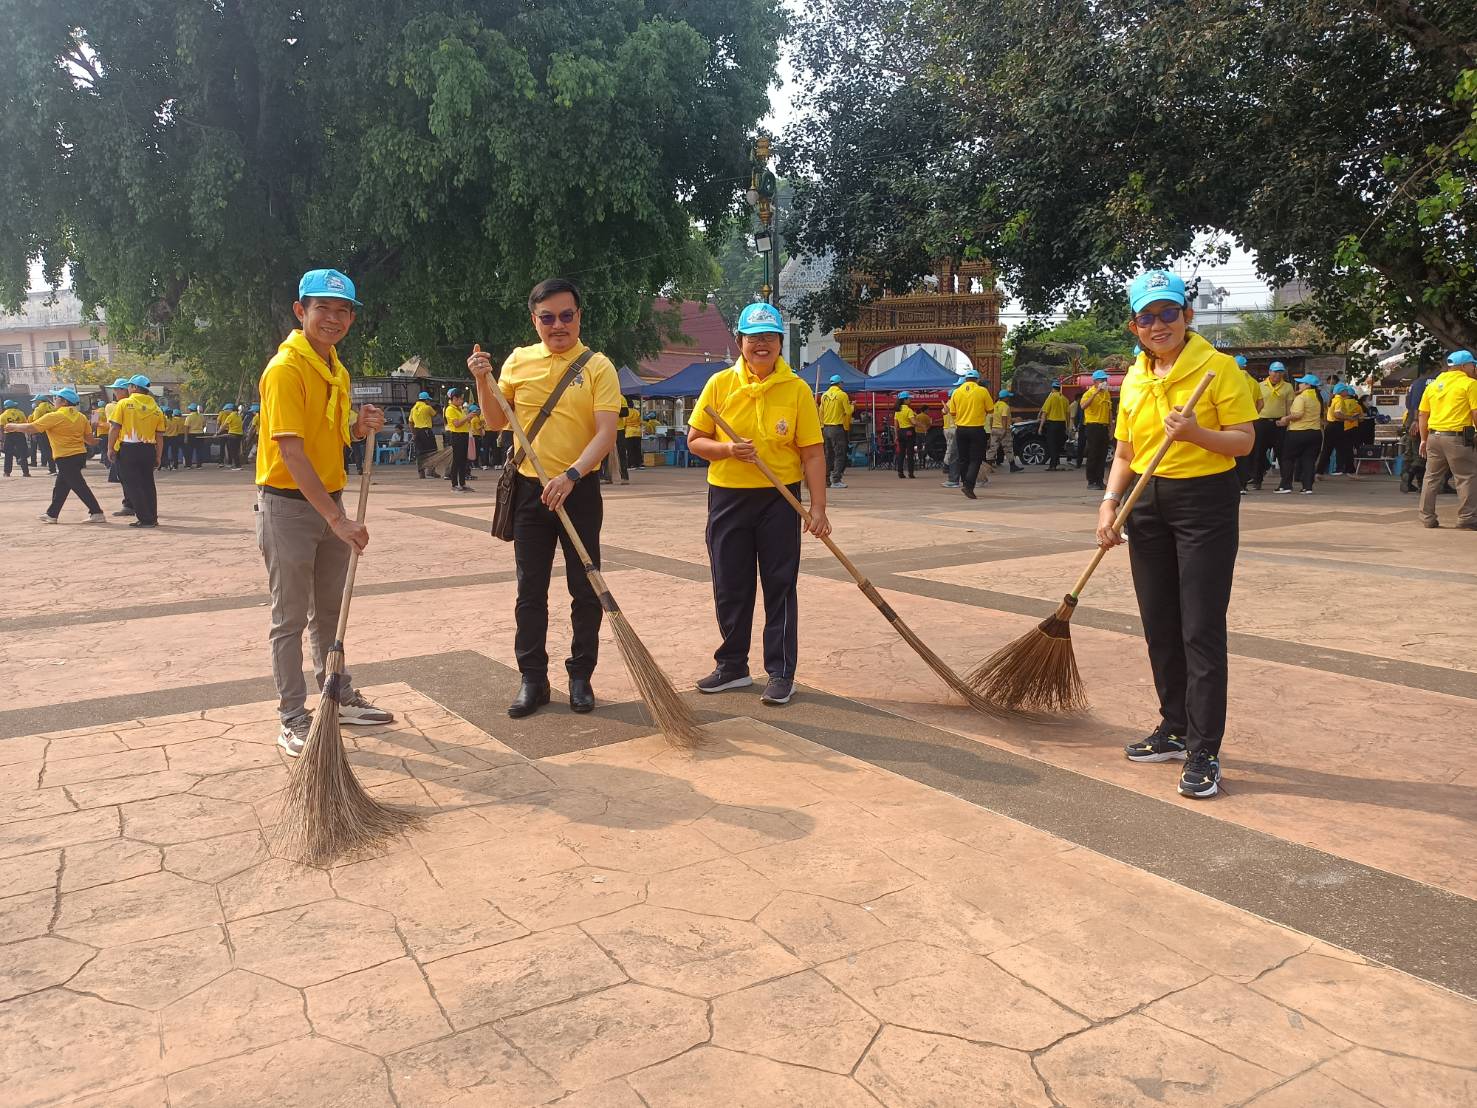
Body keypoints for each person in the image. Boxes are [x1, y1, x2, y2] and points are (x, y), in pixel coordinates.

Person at [1101, 270, 1256, 799]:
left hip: (1203, 503)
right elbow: (1125, 453)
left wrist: (1195, 434)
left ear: (1187, 316)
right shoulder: (1135, 379)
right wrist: (1108, 503)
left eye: (1169, 313)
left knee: (1200, 627)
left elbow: (1243, 442)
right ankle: (1173, 726)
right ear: (1134, 326)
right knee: (1159, 623)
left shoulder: (1218, 369)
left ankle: (1204, 747)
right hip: (1145, 502)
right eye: (1148, 317)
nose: (1159, 324)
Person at [256, 268, 394, 755]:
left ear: (351, 317)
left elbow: (328, 437)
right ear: (301, 311)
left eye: (342, 311)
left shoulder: (335, 368)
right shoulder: (285, 369)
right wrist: (337, 519)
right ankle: (293, 715)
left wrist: (359, 428)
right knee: (290, 616)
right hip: (289, 507)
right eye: (323, 309)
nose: (333, 319)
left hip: (329, 500)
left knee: (331, 611)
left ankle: (337, 694)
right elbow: (292, 452)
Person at [468, 277, 621, 718]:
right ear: (534, 320)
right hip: (532, 493)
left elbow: (606, 433)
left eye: (567, 316)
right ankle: (532, 679)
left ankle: (581, 676)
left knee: (584, 588)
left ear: (579, 317)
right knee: (529, 591)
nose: (558, 325)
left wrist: (572, 475)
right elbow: (497, 422)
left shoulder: (597, 366)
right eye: (548, 317)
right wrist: (484, 381)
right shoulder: (518, 361)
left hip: (578, 491)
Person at [687, 302, 828, 707]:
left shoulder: (797, 389)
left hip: (779, 497)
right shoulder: (719, 385)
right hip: (728, 496)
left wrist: (818, 508)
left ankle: (781, 672)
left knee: (780, 585)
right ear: (740, 342)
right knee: (731, 583)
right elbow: (695, 440)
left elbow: (813, 453)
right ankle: (732, 665)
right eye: (753, 337)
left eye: (769, 337)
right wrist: (728, 448)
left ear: (781, 342)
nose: (761, 345)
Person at [9, 388, 105, 523]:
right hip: (79, 454)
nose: (54, 400)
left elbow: (32, 428)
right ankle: (52, 514)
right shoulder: (81, 417)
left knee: (78, 485)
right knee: (61, 486)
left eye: (56, 398)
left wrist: (13, 426)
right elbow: (89, 439)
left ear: (64, 401)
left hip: (64, 456)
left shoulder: (55, 416)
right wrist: (98, 441)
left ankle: (97, 512)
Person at [1417, 349, 1477, 530]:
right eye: (1473, 365)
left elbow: (1422, 414)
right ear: (1464, 366)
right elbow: (1475, 412)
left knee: (1431, 478)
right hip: (1457, 438)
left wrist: (1423, 439)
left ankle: (1427, 517)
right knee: (1466, 477)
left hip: (1434, 437)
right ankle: (1467, 518)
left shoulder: (1433, 385)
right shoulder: (1470, 384)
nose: (1475, 369)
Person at [109, 375, 165, 527]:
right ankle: (152, 517)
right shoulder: (157, 409)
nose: (128, 388)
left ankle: (145, 519)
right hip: (149, 449)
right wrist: (158, 455)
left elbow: (115, 428)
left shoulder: (124, 404)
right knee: (148, 484)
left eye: (129, 386)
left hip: (128, 449)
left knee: (132, 485)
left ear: (134, 387)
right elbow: (159, 436)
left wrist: (110, 449)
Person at [948, 368, 992, 499]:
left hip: (960, 429)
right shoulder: (982, 391)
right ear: (977, 380)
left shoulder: (956, 392)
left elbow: (953, 412)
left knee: (963, 459)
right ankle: (968, 486)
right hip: (976, 429)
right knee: (976, 459)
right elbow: (990, 409)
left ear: (966, 379)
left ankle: (965, 483)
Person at [1276, 374, 1324, 495]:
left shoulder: (1301, 397)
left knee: (1288, 458)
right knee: (1309, 460)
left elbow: (1298, 414)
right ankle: (1307, 487)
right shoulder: (1318, 398)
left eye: (1302, 383)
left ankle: (1286, 485)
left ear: (1308, 385)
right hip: (1315, 433)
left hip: (1298, 433)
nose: (1299, 384)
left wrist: (1285, 419)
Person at [1252, 361, 1293, 489]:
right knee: (1258, 452)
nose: (1277, 374)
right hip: (1262, 422)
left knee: (1282, 453)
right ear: (1269, 372)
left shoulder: (1288, 387)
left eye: (1280, 372)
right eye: (1275, 371)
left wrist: (1287, 420)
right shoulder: (1260, 386)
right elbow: (1254, 403)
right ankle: (1257, 480)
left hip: (1279, 423)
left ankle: (1285, 482)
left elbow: (1289, 406)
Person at [1079, 369, 1114, 490]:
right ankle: (1091, 481)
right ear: (1095, 381)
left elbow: (1109, 412)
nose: (1105, 382)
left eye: (1106, 380)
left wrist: (1111, 428)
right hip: (1093, 427)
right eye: (1102, 380)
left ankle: (1100, 480)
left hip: (1103, 427)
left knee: (1102, 455)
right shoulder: (1089, 393)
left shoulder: (1106, 394)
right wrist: (1095, 393)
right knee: (1093, 454)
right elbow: (1083, 406)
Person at [819, 374, 854, 488]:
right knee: (839, 454)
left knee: (828, 455)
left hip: (826, 428)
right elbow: (848, 411)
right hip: (837, 428)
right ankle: (836, 480)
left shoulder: (824, 395)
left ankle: (825, 480)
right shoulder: (842, 395)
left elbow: (821, 412)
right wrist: (853, 406)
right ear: (840, 383)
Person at [442, 387, 473, 492]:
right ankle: (454, 484)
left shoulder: (459, 409)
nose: (462, 401)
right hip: (456, 435)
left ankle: (463, 483)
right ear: (454, 398)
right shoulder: (450, 409)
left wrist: (468, 418)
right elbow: (457, 424)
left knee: (463, 460)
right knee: (457, 460)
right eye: (460, 399)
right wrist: (467, 417)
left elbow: (463, 422)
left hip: (464, 435)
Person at [1039, 380, 1070, 470]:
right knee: (1058, 444)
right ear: (1059, 388)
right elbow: (1068, 414)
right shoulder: (1065, 399)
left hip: (1053, 424)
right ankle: (1056, 463)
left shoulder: (1051, 397)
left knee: (1052, 444)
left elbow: (1044, 413)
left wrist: (1041, 427)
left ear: (1052, 388)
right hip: (1062, 425)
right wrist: (1067, 426)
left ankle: (1052, 465)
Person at [990, 388, 1022, 472]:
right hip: (1003, 429)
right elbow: (1004, 417)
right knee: (1008, 448)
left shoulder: (995, 405)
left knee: (993, 448)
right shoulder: (1005, 406)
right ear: (1005, 398)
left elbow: (992, 418)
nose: (1009, 398)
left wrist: (991, 428)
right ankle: (1013, 466)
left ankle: (988, 466)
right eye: (1008, 397)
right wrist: (1004, 429)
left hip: (994, 428)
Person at [409, 390, 439, 478]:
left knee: (420, 453)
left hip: (417, 431)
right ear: (426, 400)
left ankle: (421, 473)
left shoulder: (413, 409)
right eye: (428, 400)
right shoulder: (427, 407)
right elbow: (434, 414)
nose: (429, 401)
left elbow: (410, 423)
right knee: (432, 451)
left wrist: (414, 433)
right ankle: (431, 470)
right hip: (426, 431)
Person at [29, 394, 56, 474]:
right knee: (53, 450)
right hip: (53, 431)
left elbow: (36, 423)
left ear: (40, 401)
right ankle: (56, 468)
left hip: (43, 432)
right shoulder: (53, 408)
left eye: (36, 401)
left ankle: (52, 469)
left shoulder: (38, 409)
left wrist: (34, 434)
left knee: (46, 451)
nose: (35, 402)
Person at [1, 400, 30, 477]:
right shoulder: (21, 413)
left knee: (8, 454)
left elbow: (1, 427)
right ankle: (26, 472)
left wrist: (2, 439)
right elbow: (25, 424)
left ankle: (7, 472)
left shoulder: (3, 415)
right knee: (22, 453)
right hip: (20, 434)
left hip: (9, 435)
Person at [893, 391, 918, 478]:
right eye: (909, 398)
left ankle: (900, 472)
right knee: (910, 453)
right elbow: (913, 422)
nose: (910, 400)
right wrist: (920, 423)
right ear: (905, 400)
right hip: (909, 431)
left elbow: (896, 425)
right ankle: (911, 473)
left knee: (901, 453)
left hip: (901, 432)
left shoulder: (897, 410)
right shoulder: (908, 410)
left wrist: (896, 435)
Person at [621, 396, 644, 474]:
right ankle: (640, 464)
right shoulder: (637, 412)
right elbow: (640, 422)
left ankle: (631, 464)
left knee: (630, 450)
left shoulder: (627, 412)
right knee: (638, 449)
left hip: (629, 432)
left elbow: (623, 423)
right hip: (637, 432)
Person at [217, 403, 244, 469]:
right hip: (239, 434)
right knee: (236, 450)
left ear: (231, 410)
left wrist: (218, 433)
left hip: (232, 434)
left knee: (233, 450)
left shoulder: (231, 416)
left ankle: (237, 466)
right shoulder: (239, 416)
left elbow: (224, 425)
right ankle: (237, 465)